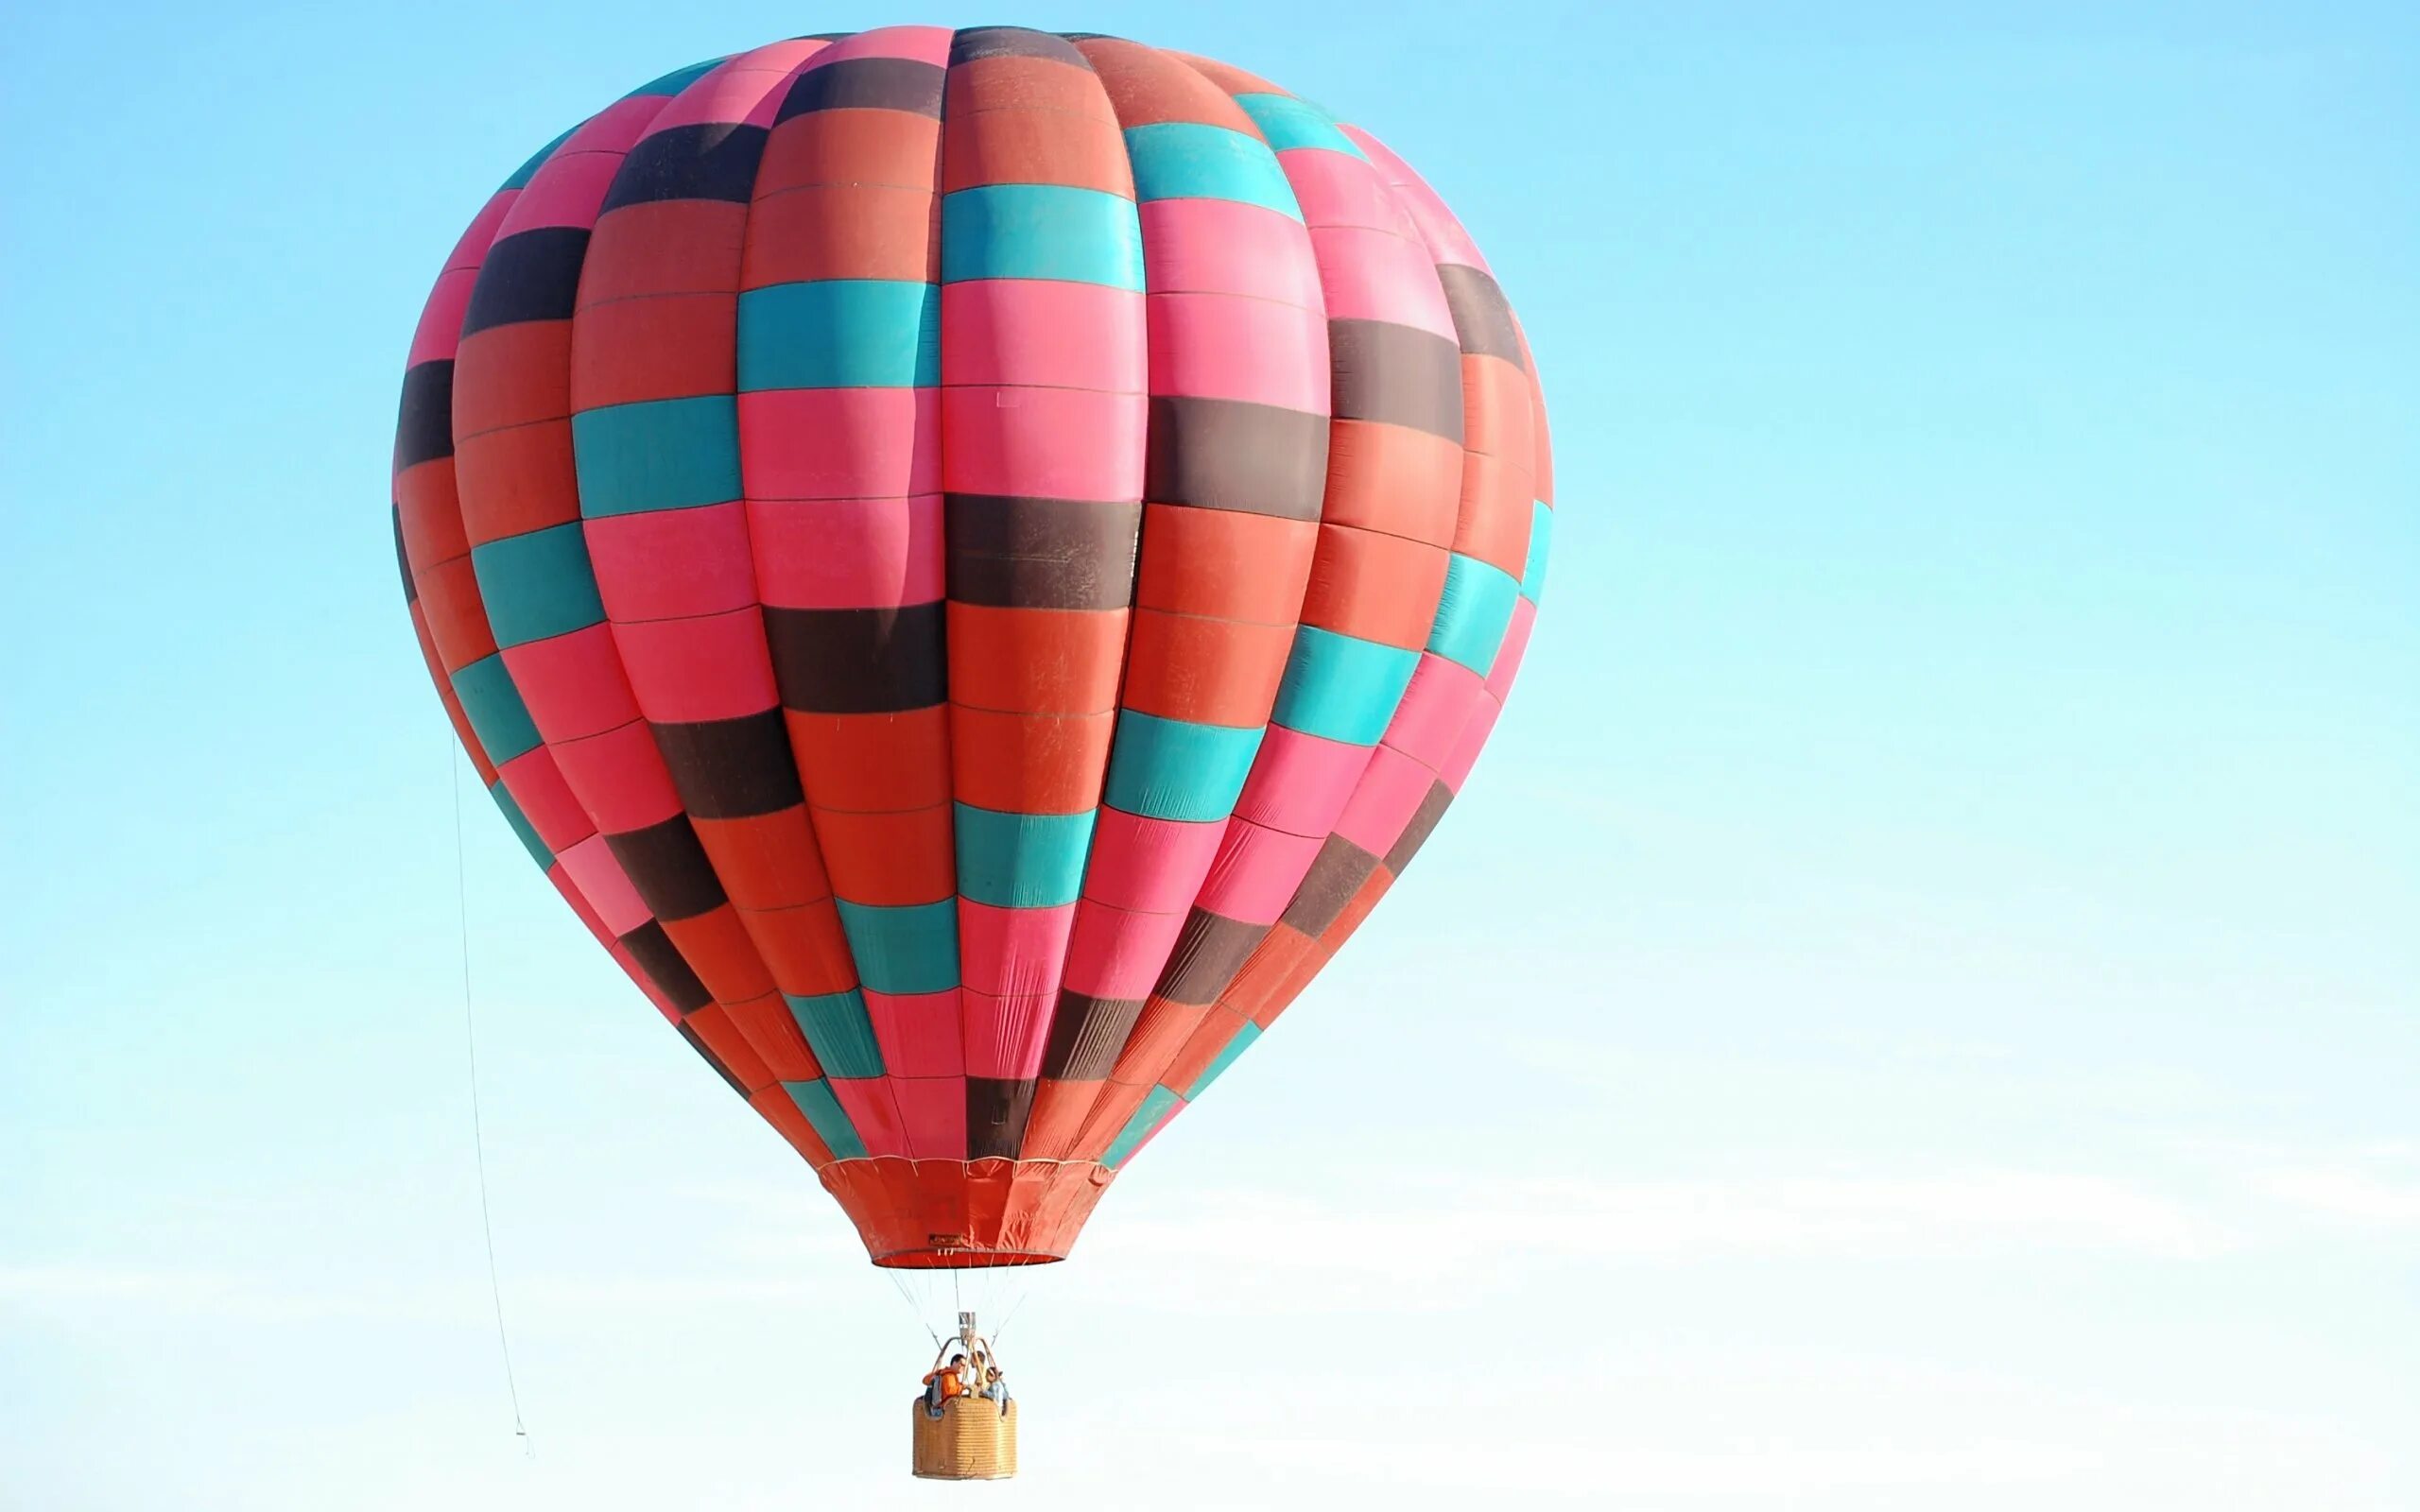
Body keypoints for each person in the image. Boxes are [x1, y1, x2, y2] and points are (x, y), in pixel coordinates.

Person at [923, 1350, 968, 1418]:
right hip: (943, 1409)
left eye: (965, 1366)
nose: (963, 1367)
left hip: (936, 1408)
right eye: (961, 1364)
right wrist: (963, 1387)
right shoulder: (949, 1376)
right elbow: (950, 1391)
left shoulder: (942, 1372)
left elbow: (925, 1380)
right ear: (954, 1362)